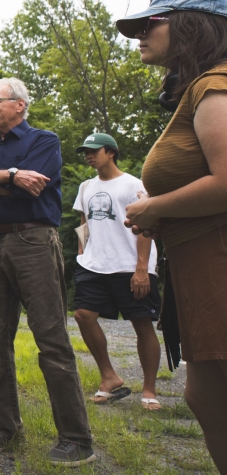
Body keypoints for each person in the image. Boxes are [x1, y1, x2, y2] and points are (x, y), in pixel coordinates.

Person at [117, 0, 227, 472]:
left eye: (149, 24)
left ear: (191, 25)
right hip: (194, 256)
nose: (139, 35)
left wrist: (156, 205)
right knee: (205, 394)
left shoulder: (216, 85)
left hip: (216, 252)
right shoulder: (199, 89)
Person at [0, 77, 95, 466]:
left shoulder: (44, 140)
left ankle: (75, 437)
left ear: (19, 105)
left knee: (50, 335)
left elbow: (34, 188)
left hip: (33, 241)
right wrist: (12, 177)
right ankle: (6, 427)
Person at [70, 133, 161, 411]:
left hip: (130, 264)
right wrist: (82, 256)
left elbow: (146, 224)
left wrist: (142, 269)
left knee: (141, 323)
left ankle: (149, 389)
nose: (89, 155)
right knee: (83, 315)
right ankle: (109, 377)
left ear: (111, 152)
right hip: (95, 265)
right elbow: (84, 225)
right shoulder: (85, 187)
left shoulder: (134, 184)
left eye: (94, 150)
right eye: (86, 151)